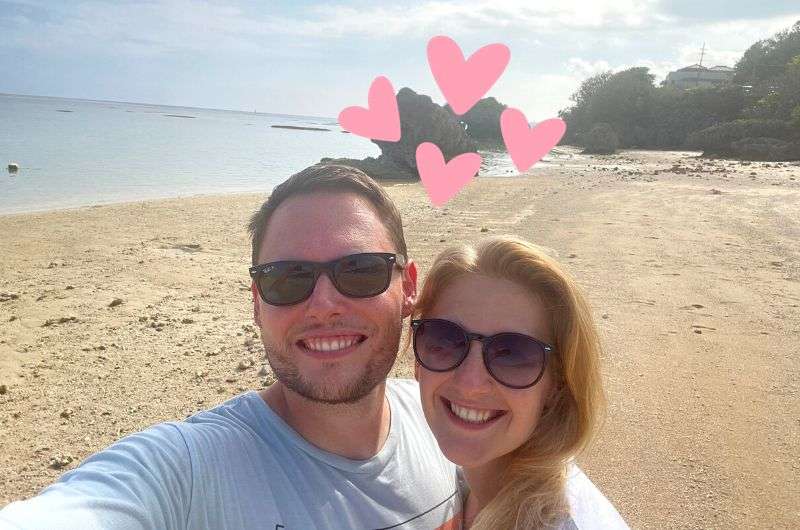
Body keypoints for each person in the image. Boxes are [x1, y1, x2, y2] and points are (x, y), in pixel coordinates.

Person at [0, 165, 461, 529]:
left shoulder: (448, 425)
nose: (323, 305)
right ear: (257, 304)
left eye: (360, 270)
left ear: (409, 288)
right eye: (287, 278)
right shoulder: (192, 471)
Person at [411, 236, 627, 529]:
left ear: (557, 385)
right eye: (445, 340)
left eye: (512, 354)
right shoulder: (469, 483)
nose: (470, 383)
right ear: (418, 361)